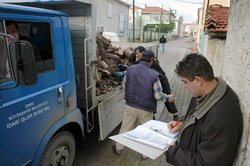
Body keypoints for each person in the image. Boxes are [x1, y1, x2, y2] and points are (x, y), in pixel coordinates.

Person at [166, 53, 243, 165]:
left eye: (185, 82)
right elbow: (197, 118)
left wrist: (170, 151)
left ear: (198, 80)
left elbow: (206, 163)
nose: (184, 86)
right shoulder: (204, 92)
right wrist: (183, 123)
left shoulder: (222, 116)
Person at [112, 50, 175, 156]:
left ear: (141, 59)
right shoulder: (154, 75)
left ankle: (119, 148)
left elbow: (124, 85)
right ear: (152, 60)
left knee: (125, 127)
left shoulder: (130, 69)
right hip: (146, 109)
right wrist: (168, 98)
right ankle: (145, 154)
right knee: (147, 132)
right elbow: (158, 96)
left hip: (130, 106)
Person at [130, 46, 179, 120]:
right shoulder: (141, 62)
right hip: (154, 82)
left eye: (137, 53)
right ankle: (152, 117)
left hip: (162, 81)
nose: (136, 55)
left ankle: (175, 114)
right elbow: (133, 64)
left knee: (168, 97)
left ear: (143, 53)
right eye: (135, 54)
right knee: (152, 99)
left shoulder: (150, 62)